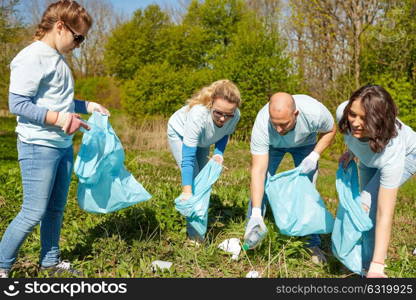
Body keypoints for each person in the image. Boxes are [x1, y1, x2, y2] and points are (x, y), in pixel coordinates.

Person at [0, 0, 109, 278]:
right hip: (39, 145)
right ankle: (2, 266)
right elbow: (18, 104)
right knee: (33, 211)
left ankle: (50, 260)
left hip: (62, 146)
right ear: (60, 27)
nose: (80, 44)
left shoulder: (58, 59)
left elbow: (59, 100)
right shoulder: (31, 56)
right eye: (78, 37)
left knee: (56, 208)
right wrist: (61, 119)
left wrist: (88, 106)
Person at [246, 92, 336, 264]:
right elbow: (258, 170)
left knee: (307, 192)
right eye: (275, 124)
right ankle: (253, 235)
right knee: (262, 183)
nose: (279, 130)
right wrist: (256, 212)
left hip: (305, 145)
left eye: (284, 124)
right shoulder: (262, 123)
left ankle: (311, 243)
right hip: (273, 147)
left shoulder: (314, 112)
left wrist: (315, 155)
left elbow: (331, 130)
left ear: (296, 114)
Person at [337, 85, 416, 278]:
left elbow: (384, 212)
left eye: (364, 118)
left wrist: (378, 266)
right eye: (353, 114)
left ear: (378, 121)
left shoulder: (393, 153)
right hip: (369, 158)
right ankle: (363, 265)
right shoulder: (342, 111)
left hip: (407, 156)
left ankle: (372, 267)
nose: (355, 123)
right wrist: (351, 151)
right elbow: (351, 134)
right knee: (366, 215)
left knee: (365, 206)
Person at [167, 79, 241, 242]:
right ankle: (194, 237)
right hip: (180, 134)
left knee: (201, 182)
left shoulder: (235, 116)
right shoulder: (198, 114)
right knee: (193, 180)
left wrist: (219, 153)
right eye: (218, 113)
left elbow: (225, 132)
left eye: (228, 114)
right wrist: (187, 191)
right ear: (210, 104)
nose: (223, 119)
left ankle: (197, 226)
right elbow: (188, 159)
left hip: (203, 141)